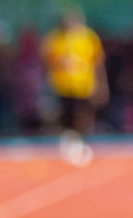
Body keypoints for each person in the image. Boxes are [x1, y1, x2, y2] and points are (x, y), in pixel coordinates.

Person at [42, 10, 105, 164]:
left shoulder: (89, 38)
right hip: (63, 85)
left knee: (83, 115)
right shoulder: (55, 39)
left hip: (84, 85)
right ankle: (70, 144)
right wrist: (60, 64)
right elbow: (47, 61)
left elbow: (97, 62)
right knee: (66, 115)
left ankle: (82, 143)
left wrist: (101, 84)